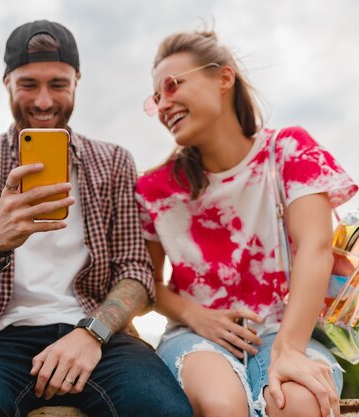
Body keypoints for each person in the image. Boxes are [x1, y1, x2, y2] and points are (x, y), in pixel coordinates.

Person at [0, 20, 192, 417]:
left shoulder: (114, 161)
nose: (42, 101)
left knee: (164, 410)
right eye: (28, 84)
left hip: (100, 335)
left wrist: (92, 333)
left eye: (57, 84)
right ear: (7, 83)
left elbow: (135, 272)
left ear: (76, 82)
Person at [135, 29, 358, 417]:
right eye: (156, 98)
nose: (165, 103)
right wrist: (197, 316)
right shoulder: (153, 190)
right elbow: (148, 284)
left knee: (299, 404)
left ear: (223, 78)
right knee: (223, 404)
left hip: (289, 329)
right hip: (195, 335)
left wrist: (288, 349)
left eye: (172, 86)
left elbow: (315, 248)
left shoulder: (288, 150)